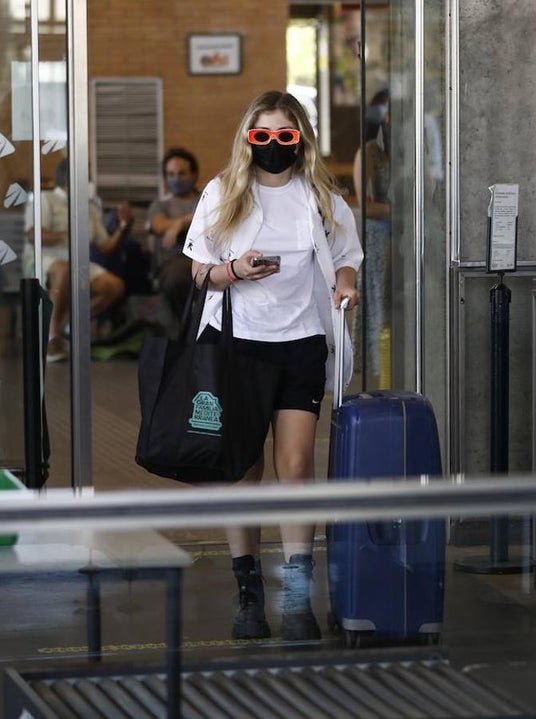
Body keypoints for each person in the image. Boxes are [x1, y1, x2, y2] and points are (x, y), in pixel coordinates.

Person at [183, 90, 362, 641]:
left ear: (300, 139)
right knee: (241, 466)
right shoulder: (222, 193)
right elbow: (198, 273)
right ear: (247, 140)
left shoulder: (324, 199)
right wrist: (234, 269)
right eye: (262, 137)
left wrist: (345, 291)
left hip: (301, 341)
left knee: (297, 464)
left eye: (285, 136)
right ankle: (247, 592)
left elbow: (347, 261)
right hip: (237, 344)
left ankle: (296, 595)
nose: (273, 146)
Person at [24, 159, 129, 362]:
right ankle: (51, 338)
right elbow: (33, 235)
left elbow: (106, 247)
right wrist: (68, 234)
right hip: (45, 258)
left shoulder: (88, 208)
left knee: (113, 286)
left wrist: (123, 227)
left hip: (76, 261)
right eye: (85, 175)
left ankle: (67, 326)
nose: (89, 180)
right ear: (68, 177)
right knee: (63, 270)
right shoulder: (45, 199)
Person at [353, 87, 391, 385]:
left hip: (401, 234)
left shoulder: (408, 149)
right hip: (379, 234)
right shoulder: (368, 151)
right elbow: (364, 205)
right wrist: (400, 212)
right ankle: (378, 365)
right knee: (378, 297)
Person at [146, 147, 201, 316]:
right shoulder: (160, 205)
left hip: (206, 257)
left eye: (181, 173)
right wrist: (186, 221)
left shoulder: (206, 198)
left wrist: (179, 224)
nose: (176, 179)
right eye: (171, 174)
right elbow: (159, 226)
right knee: (176, 279)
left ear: (193, 175)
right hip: (174, 262)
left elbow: (214, 219)